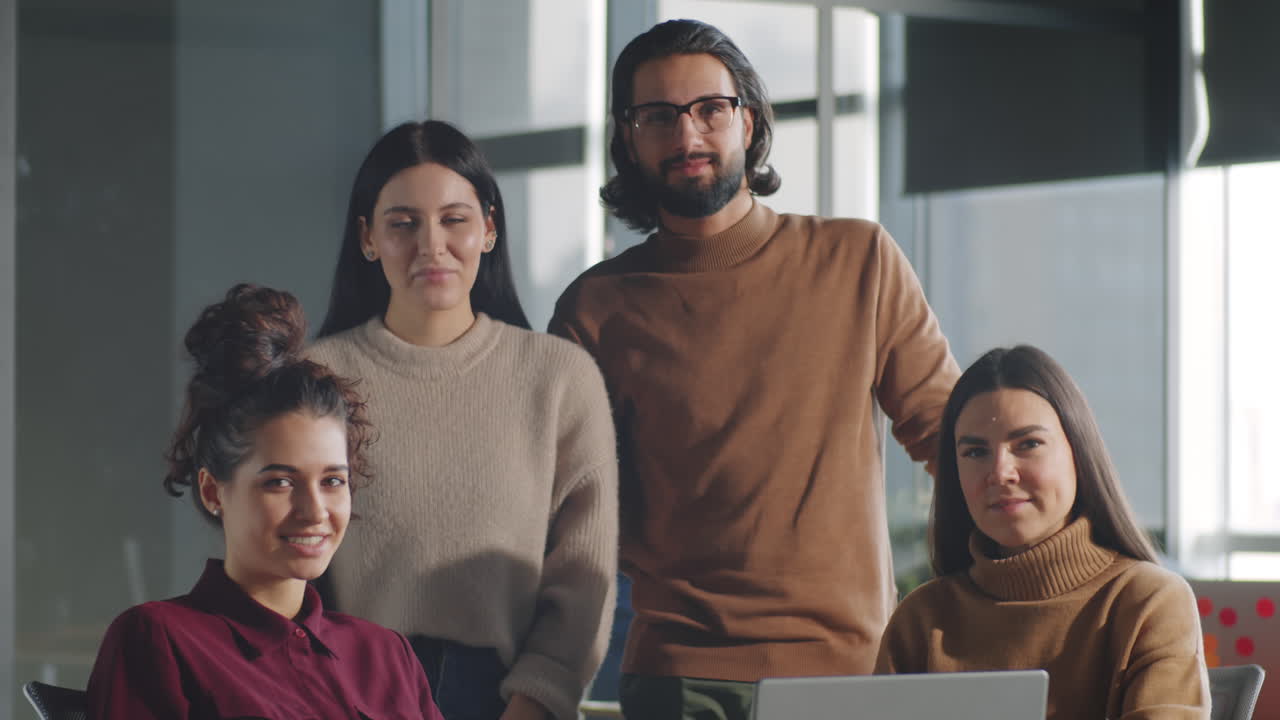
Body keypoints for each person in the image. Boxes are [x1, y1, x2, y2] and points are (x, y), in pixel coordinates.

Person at [547, 18, 959, 719]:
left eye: (711, 109)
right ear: (628, 139)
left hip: (849, 673)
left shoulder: (857, 260)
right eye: (658, 116)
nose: (688, 136)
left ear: (750, 119)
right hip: (678, 678)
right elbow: (564, 504)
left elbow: (953, 439)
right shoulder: (597, 308)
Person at [310, 120, 618, 720]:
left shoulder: (558, 377)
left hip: (510, 698)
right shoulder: (315, 378)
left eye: (454, 219)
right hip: (349, 693)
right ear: (368, 238)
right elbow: (283, 557)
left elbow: (584, 575)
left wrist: (535, 704)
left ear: (489, 229)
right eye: (403, 223)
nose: (432, 245)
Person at [86, 284, 445, 720]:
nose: (315, 511)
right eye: (279, 482)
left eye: (333, 480)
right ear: (213, 491)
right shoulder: (159, 638)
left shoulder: (386, 655)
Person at [875, 345, 1210, 720]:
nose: (1000, 472)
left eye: (1028, 444)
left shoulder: (1147, 602)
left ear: (1078, 453)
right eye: (974, 452)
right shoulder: (920, 620)